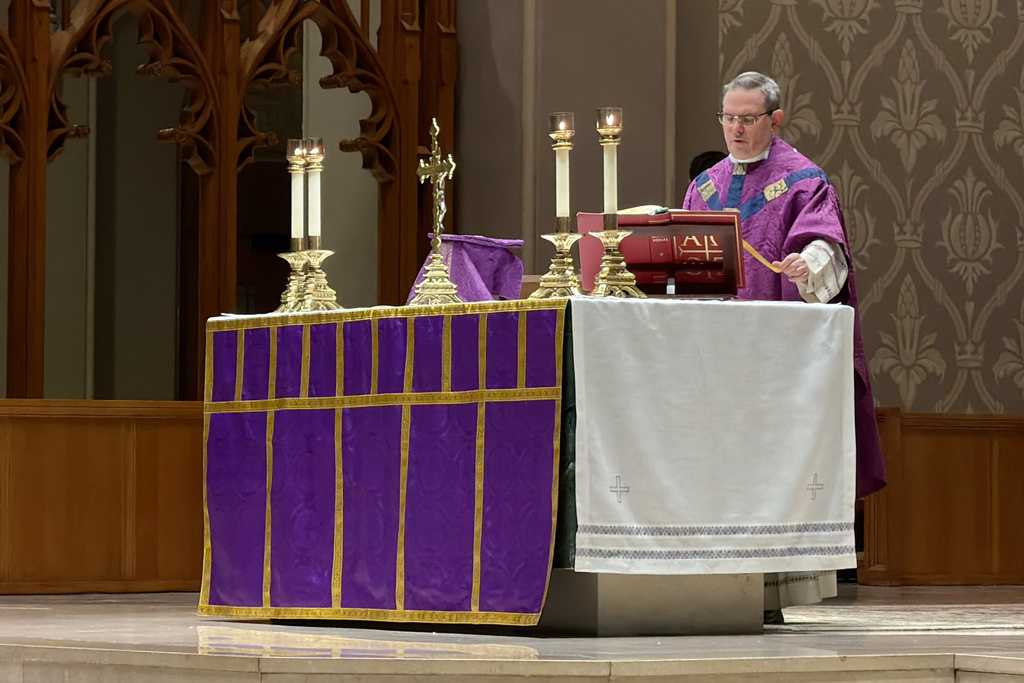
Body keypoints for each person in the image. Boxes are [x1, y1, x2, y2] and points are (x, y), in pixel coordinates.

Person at [681, 71, 886, 624]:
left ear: (775, 119)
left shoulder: (803, 181)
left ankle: (769, 593)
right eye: (727, 117)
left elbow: (826, 249)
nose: (735, 129)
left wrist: (809, 263)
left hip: (773, 364)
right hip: (713, 360)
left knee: (767, 467)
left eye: (748, 118)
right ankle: (709, 584)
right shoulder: (704, 188)